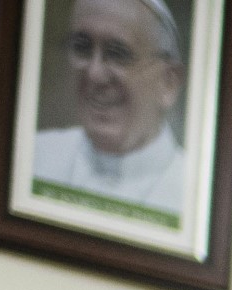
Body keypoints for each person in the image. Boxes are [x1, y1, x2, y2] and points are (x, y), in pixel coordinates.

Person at [31, 0, 190, 220]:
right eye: (82, 48)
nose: (94, 74)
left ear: (168, 82)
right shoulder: (36, 157)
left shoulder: (192, 195)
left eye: (118, 54)